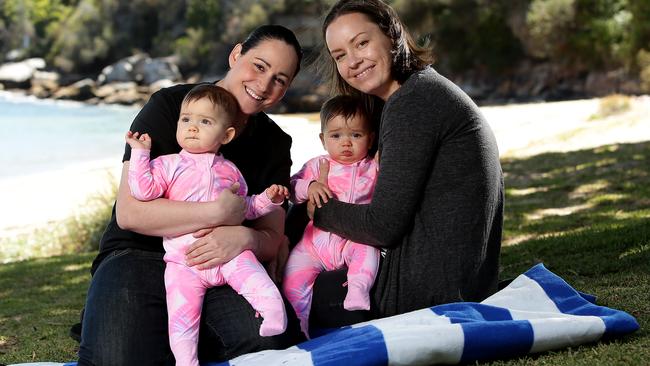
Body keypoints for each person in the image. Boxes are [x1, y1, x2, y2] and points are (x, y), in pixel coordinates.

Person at [77, 25, 305, 365]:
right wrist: (218, 214)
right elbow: (131, 214)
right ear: (236, 55)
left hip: (220, 260)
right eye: (259, 65)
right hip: (138, 253)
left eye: (280, 79)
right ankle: (131, 323)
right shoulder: (170, 106)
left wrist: (244, 236)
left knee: (272, 341)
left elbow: (271, 236)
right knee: (118, 357)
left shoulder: (274, 142)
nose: (264, 84)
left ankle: (166, 331)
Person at [305, 0, 504, 327]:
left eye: (362, 43)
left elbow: (382, 226)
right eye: (340, 55)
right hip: (454, 282)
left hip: (421, 294)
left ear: (391, 33)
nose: (353, 61)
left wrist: (318, 210)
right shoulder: (421, 90)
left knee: (282, 293)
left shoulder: (413, 103)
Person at [126, 84, 290, 366]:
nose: (192, 127)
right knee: (182, 314)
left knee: (254, 277)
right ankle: (185, 361)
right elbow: (143, 190)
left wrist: (268, 200)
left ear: (226, 135)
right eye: (186, 119)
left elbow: (246, 207)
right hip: (184, 262)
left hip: (229, 254)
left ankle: (273, 314)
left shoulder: (231, 171)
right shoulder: (168, 165)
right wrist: (141, 154)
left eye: (205, 122)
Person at [283, 95, 380, 337]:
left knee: (368, 253)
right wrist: (311, 186)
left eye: (356, 135)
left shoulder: (373, 167)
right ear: (323, 139)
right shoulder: (317, 165)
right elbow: (292, 188)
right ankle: (299, 327)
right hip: (313, 245)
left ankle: (358, 291)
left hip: (352, 239)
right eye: (336, 136)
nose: (346, 143)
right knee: (293, 280)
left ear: (370, 139)